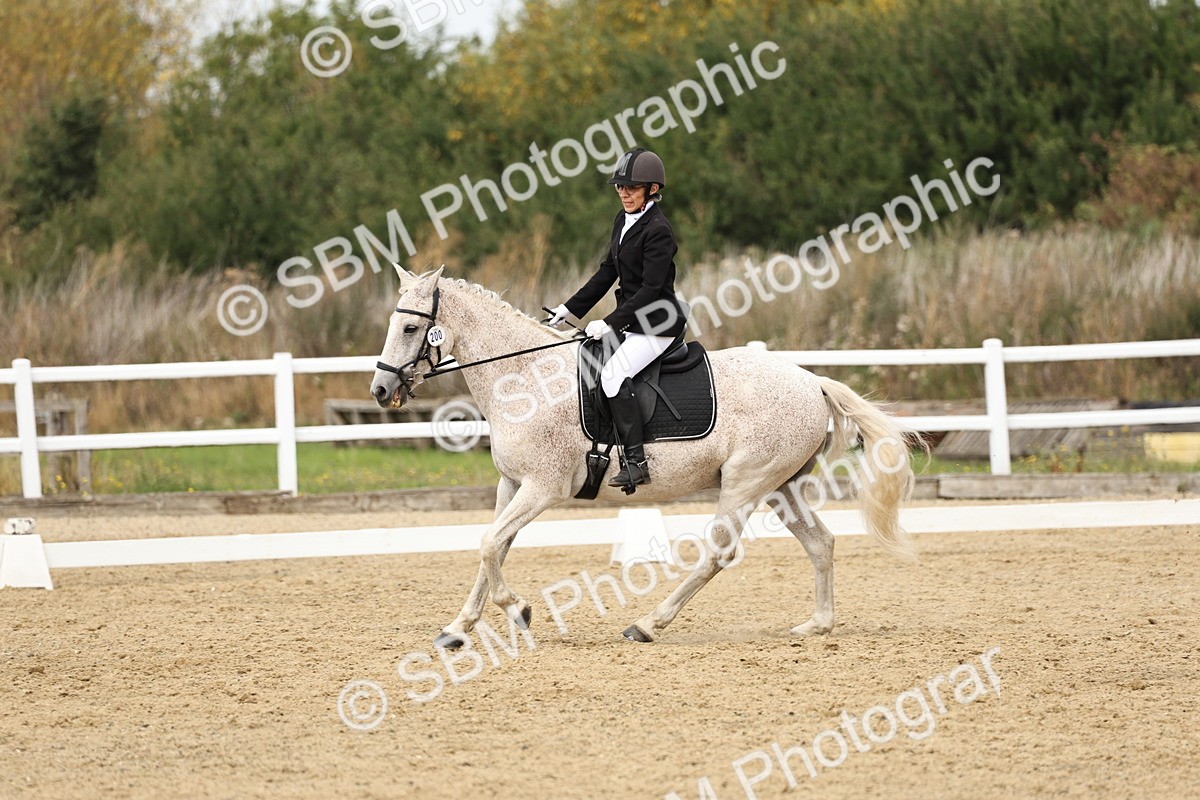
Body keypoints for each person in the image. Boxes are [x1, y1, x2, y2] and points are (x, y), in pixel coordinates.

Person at [546, 147, 688, 490]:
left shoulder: (659, 230)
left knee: (612, 375)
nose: (623, 193)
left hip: (657, 322)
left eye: (632, 187)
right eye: (619, 187)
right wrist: (569, 308)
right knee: (586, 362)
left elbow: (652, 290)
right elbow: (607, 272)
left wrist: (609, 322)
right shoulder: (622, 221)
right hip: (631, 319)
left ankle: (637, 462)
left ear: (652, 189)